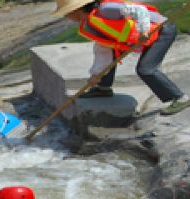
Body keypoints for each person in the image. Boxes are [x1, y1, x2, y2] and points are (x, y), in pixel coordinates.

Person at [53, 0, 190, 115]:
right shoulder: (90, 23)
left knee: (146, 70)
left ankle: (180, 98)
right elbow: (103, 49)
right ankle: (103, 89)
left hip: (161, 31)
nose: (66, 17)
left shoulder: (107, 9)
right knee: (110, 57)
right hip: (142, 38)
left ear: (76, 10)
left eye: (66, 13)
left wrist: (143, 31)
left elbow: (140, 11)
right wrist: (96, 75)